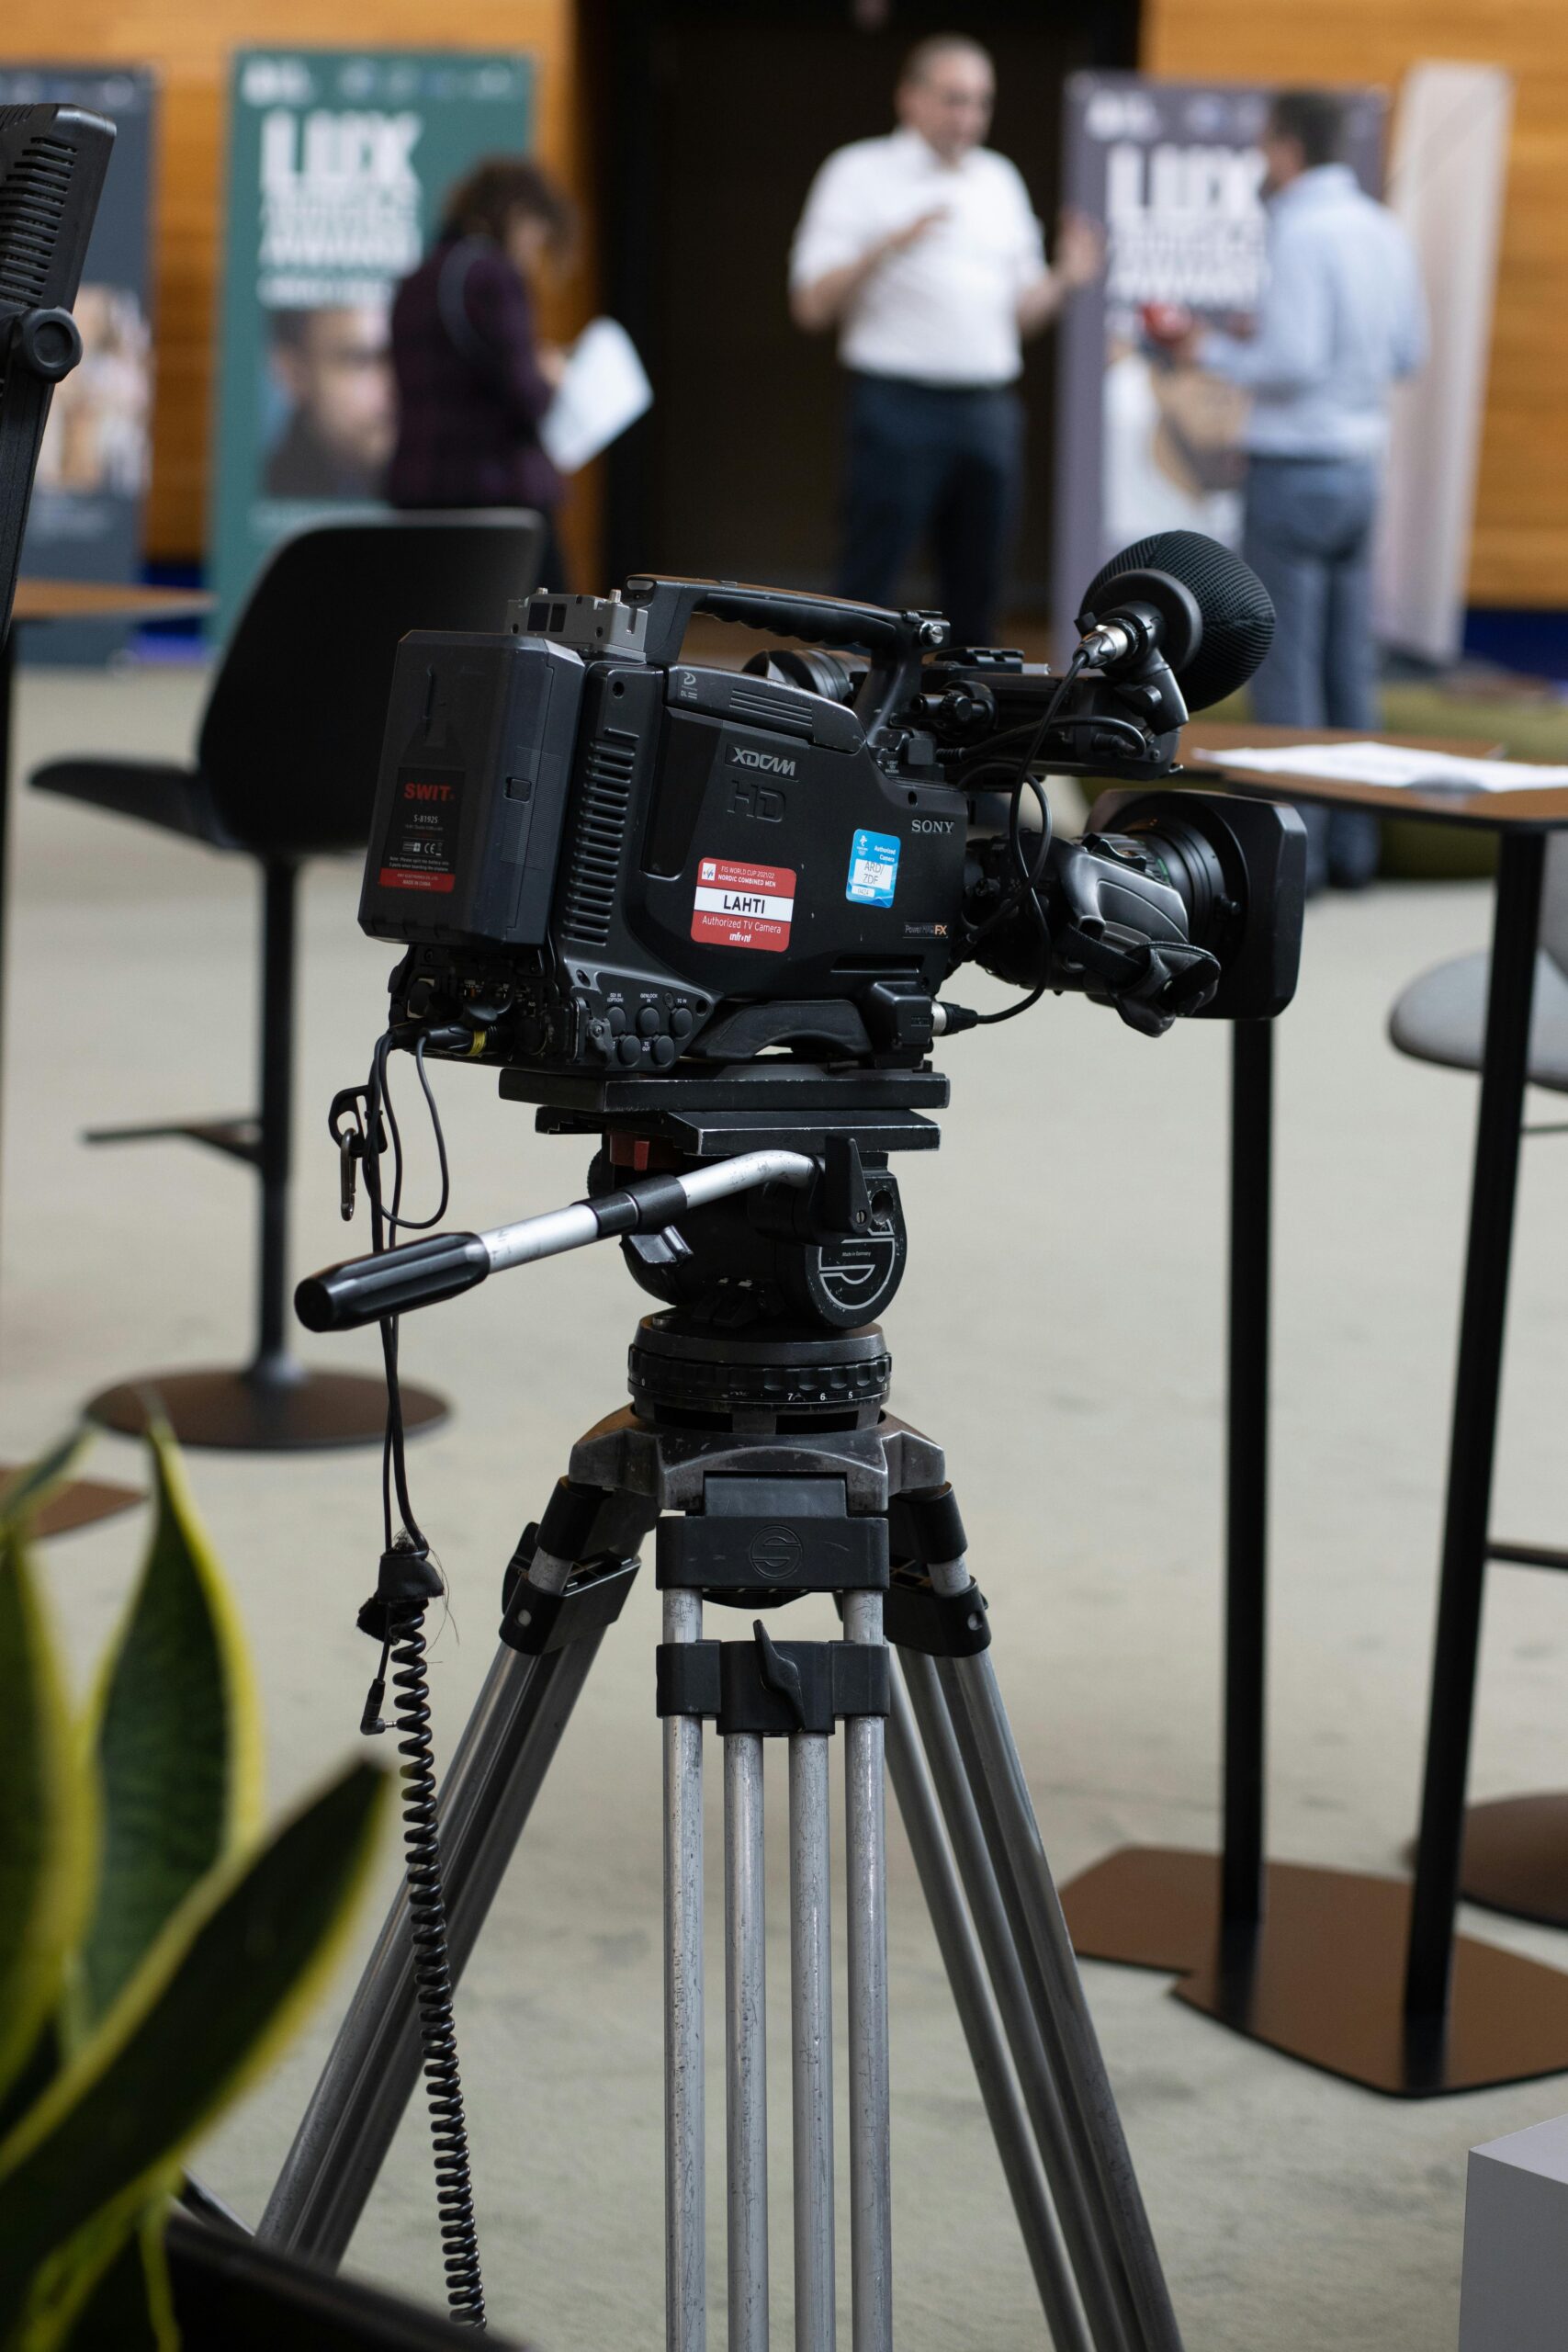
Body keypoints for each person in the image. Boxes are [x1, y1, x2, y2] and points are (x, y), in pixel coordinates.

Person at [1178, 90, 1427, 893]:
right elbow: (1406, 351)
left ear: (1285, 147)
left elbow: (1290, 361)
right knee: (1350, 669)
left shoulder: (1296, 227)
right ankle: (1356, 851)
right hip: (1358, 470)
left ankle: (1300, 864)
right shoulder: (1381, 227)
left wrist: (1204, 346)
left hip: (1292, 473)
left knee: (1285, 674)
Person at [789, 34, 1100, 647]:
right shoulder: (858, 172)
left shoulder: (999, 180)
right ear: (909, 98)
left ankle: (966, 725)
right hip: (896, 404)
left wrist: (1066, 277)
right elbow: (809, 307)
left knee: (979, 589)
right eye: (954, 100)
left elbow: (1019, 316)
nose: (968, 118)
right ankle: (843, 721)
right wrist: (883, 246)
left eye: (980, 103)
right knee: (868, 583)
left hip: (986, 410)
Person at [388, 156, 575, 588]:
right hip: (498, 500)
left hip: (419, 495)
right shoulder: (493, 274)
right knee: (543, 638)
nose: (532, 255)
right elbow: (525, 398)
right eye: (536, 237)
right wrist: (548, 376)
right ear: (516, 216)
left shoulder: (416, 279)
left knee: (438, 627)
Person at [265, 305, 395, 499]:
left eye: (402, 356)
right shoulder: (271, 488)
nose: (392, 386)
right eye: (360, 360)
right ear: (294, 374)